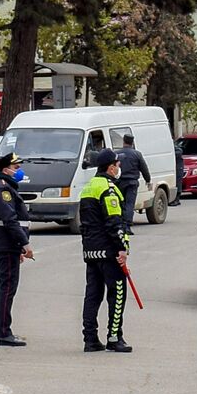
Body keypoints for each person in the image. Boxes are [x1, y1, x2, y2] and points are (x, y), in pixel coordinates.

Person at [78, 150, 131, 353]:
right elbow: (114, 223)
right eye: (117, 165)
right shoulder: (109, 189)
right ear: (110, 167)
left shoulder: (88, 187)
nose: (119, 168)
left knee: (92, 295)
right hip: (109, 252)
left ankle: (90, 339)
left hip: (91, 252)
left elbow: (85, 223)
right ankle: (114, 337)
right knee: (117, 294)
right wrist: (121, 249)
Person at [0, 152, 33, 346]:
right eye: (16, 168)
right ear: (5, 170)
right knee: (7, 288)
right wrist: (24, 243)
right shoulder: (3, 189)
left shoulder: (3, 187)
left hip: (6, 243)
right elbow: (10, 220)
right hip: (7, 243)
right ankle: (4, 332)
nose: (19, 171)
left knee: (1, 287)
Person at [114, 135, 151, 235]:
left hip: (119, 182)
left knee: (121, 204)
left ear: (123, 141)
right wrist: (148, 180)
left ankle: (120, 225)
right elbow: (144, 168)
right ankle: (127, 226)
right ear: (132, 142)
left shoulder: (117, 154)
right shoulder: (137, 154)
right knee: (130, 204)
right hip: (132, 183)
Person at [168, 141, 183, 207]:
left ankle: (176, 199)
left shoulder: (175, 148)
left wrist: (171, 153)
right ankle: (174, 199)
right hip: (174, 167)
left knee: (178, 183)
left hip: (178, 168)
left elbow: (179, 151)